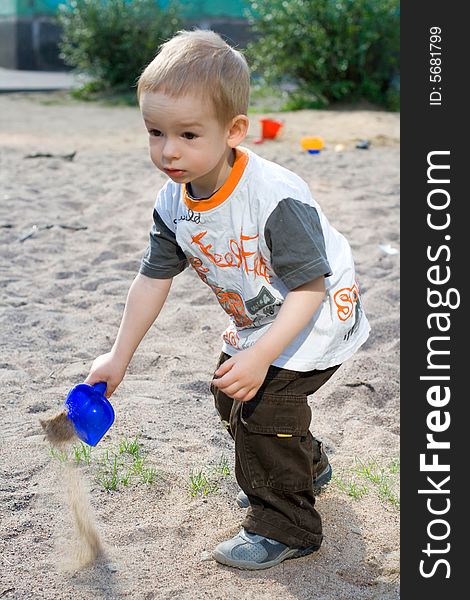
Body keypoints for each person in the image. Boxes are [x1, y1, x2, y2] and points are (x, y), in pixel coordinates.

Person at [84, 29, 370, 570]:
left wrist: (261, 357)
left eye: (189, 135)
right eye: (155, 132)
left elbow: (310, 288)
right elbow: (152, 278)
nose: (168, 151)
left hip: (319, 312)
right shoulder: (174, 200)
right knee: (229, 395)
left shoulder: (272, 198)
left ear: (234, 130)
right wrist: (117, 357)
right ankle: (304, 465)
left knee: (262, 407)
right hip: (266, 316)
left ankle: (288, 525)